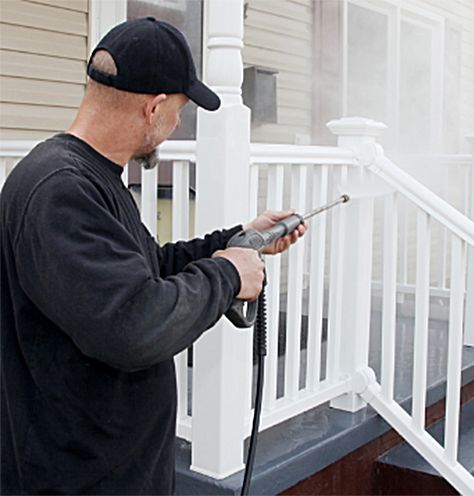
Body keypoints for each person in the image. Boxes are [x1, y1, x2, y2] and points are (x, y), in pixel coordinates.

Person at [0, 17, 305, 494]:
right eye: (179, 111)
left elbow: (148, 268)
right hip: (80, 477)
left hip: (110, 467)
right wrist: (227, 274)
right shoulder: (60, 190)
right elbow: (134, 323)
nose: (177, 125)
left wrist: (238, 238)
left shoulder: (86, 177)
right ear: (153, 107)